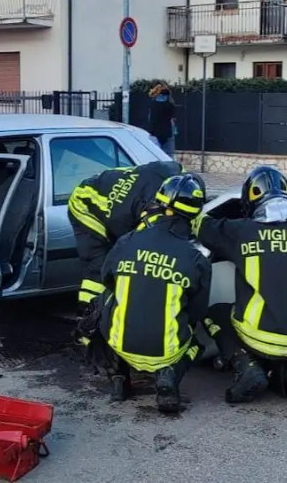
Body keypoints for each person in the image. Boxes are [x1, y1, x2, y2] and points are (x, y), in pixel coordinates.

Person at [194, 165, 287, 416]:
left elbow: (202, 226)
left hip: (257, 335)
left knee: (215, 311)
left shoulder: (240, 232)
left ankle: (246, 365)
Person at [79, 174, 211, 413]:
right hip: (167, 352)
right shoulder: (196, 259)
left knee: (104, 300)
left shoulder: (127, 240)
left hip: (119, 344)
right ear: (194, 213)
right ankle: (169, 374)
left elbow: (107, 279)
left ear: (158, 203)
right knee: (195, 343)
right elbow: (197, 310)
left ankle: (118, 379)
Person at [68, 160, 186, 342]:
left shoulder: (173, 173)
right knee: (98, 266)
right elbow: (135, 247)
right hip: (85, 205)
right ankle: (86, 328)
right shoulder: (129, 218)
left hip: (111, 192)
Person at [148, 83, 176, 158]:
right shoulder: (170, 104)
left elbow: (151, 118)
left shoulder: (153, 103)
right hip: (167, 132)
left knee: (154, 155)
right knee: (168, 155)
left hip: (154, 132)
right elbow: (171, 117)